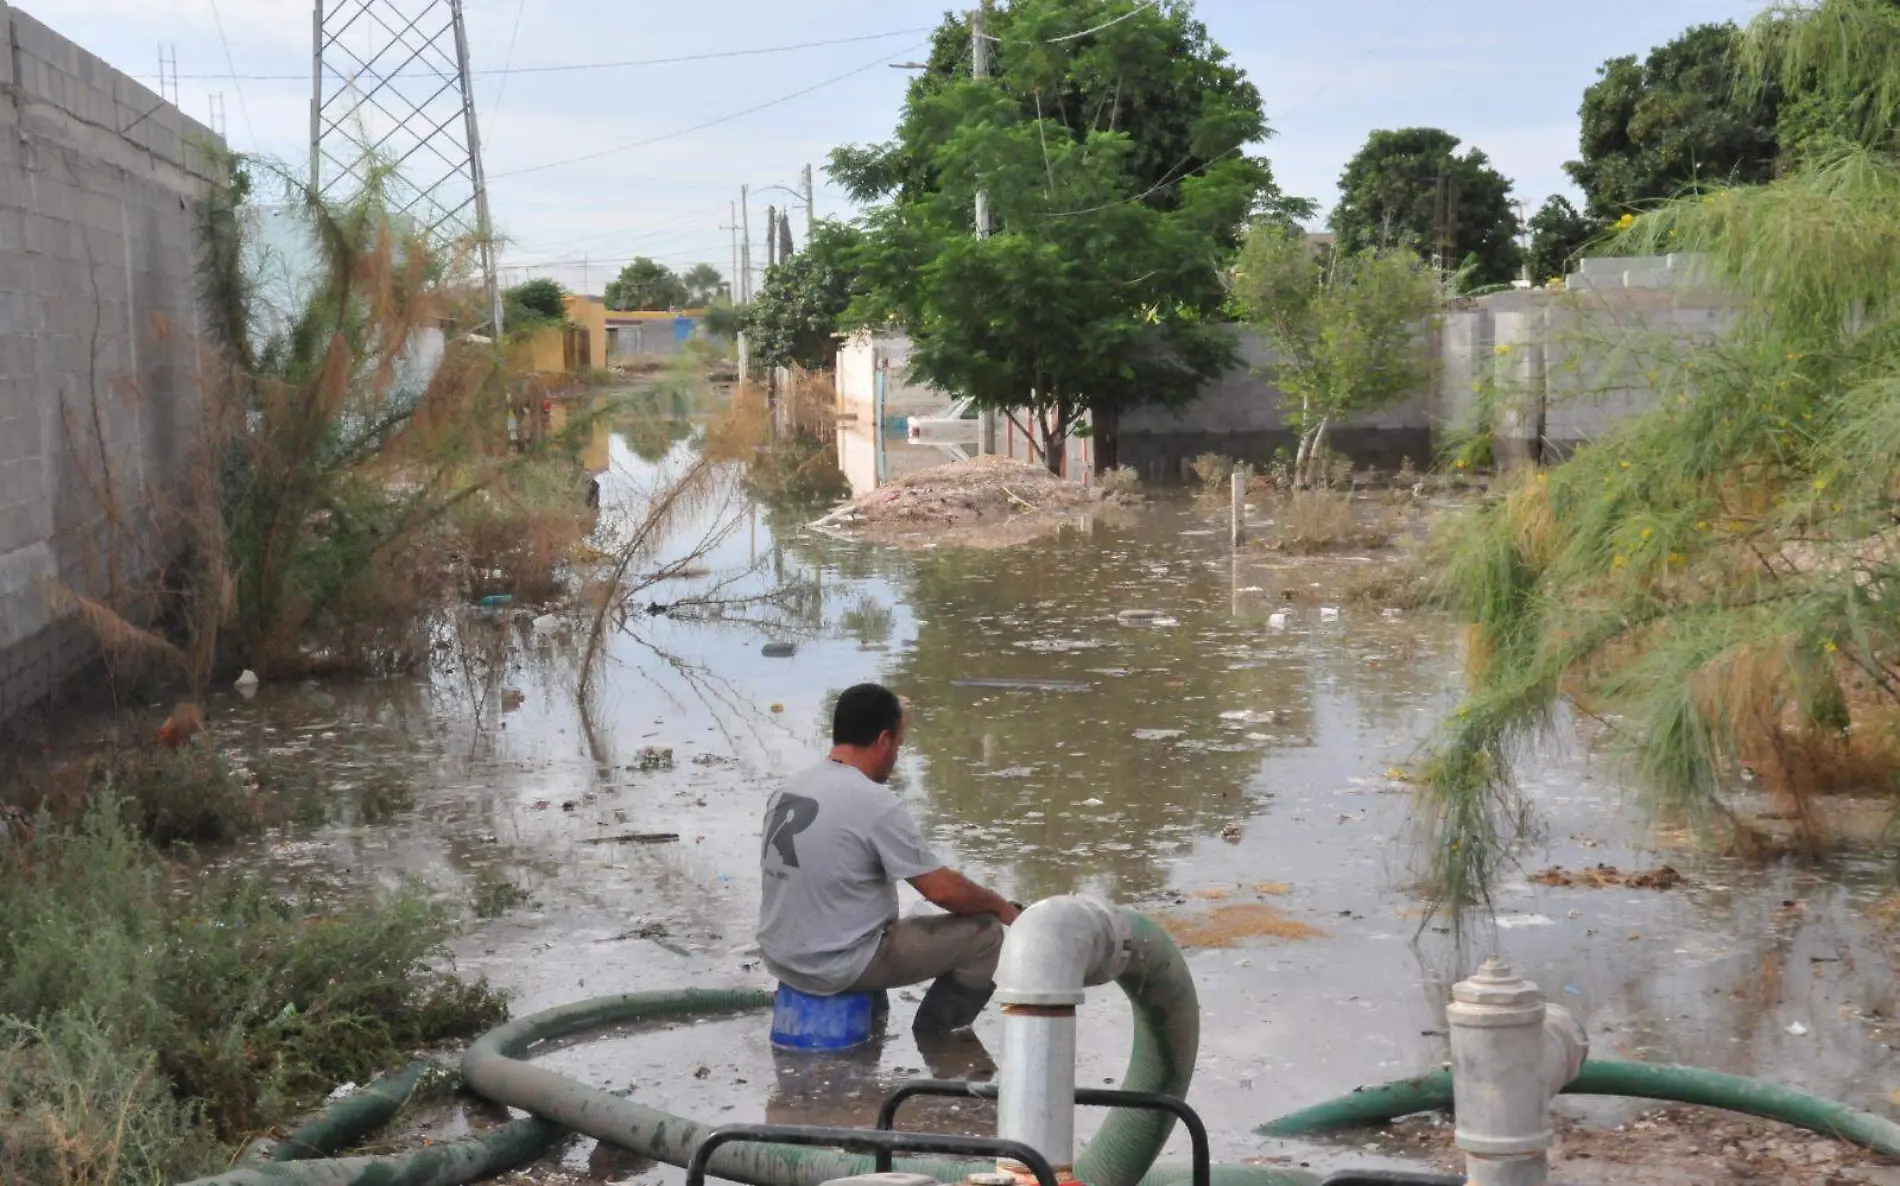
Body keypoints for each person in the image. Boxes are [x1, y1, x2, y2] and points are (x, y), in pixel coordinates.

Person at [758, 683, 1021, 1033]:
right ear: (883, 740)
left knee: (876, 914)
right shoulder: (873, 802)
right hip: (835, 966)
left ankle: (873, 1021)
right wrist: (1001, 907)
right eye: (898, 742)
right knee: (986, 935)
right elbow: (943, 891)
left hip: (782, 958)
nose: (897, 753)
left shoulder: (788, 788)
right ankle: (938, 1038)